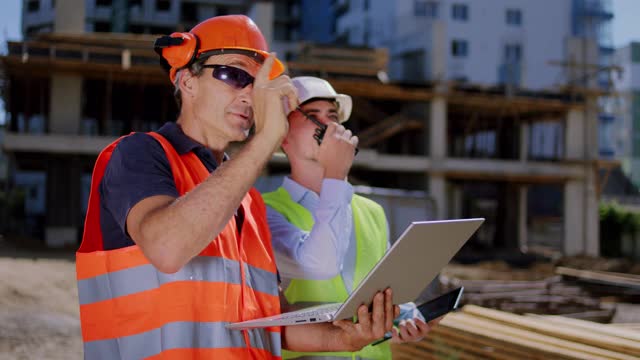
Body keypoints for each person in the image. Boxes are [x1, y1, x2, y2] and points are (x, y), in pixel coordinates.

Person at [76, 15, 398, 360]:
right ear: (188, 80)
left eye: (258, 84)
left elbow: (267, 318)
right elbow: (167, 247)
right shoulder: (139, 154)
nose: (249, 94)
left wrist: (342, 338)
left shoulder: (248, 201)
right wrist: (266, 139)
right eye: (234, 75)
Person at [262, 76, 439, 359]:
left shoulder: (372, 212)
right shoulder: (262, 211)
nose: (328, 125)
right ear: (282, 135)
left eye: (333, 116)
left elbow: (382, 293)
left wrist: (405, 315)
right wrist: (336, 175)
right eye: (312, 116)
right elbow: (318, 265)